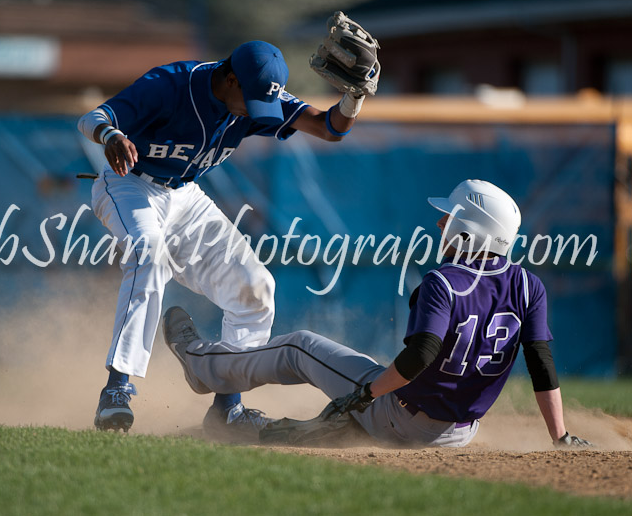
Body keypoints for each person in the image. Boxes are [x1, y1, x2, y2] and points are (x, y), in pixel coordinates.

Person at [77, 40, 375, 433]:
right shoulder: (171, 84)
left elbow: (328, 128)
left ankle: (227, 410)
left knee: (255, 286)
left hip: (185, 195)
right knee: (147, 254)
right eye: (249, 98)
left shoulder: (257, 92)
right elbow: (92, 118)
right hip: (130, 185)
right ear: (230, 77)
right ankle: (117, 389)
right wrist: (111, 136)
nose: (255, 112)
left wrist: (354, 98)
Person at [162, 179, 592, 448]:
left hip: (400, 415)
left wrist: (365, 396)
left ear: (470, 230)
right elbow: (541, 364)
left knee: (299, 346)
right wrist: (560, 437)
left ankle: (198, 364)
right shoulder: (527, 285)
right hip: (459, 435)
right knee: (348, 404)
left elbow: (420, 355)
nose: (441, 224)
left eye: (450, 218)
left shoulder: (444, 282)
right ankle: (295, 427)